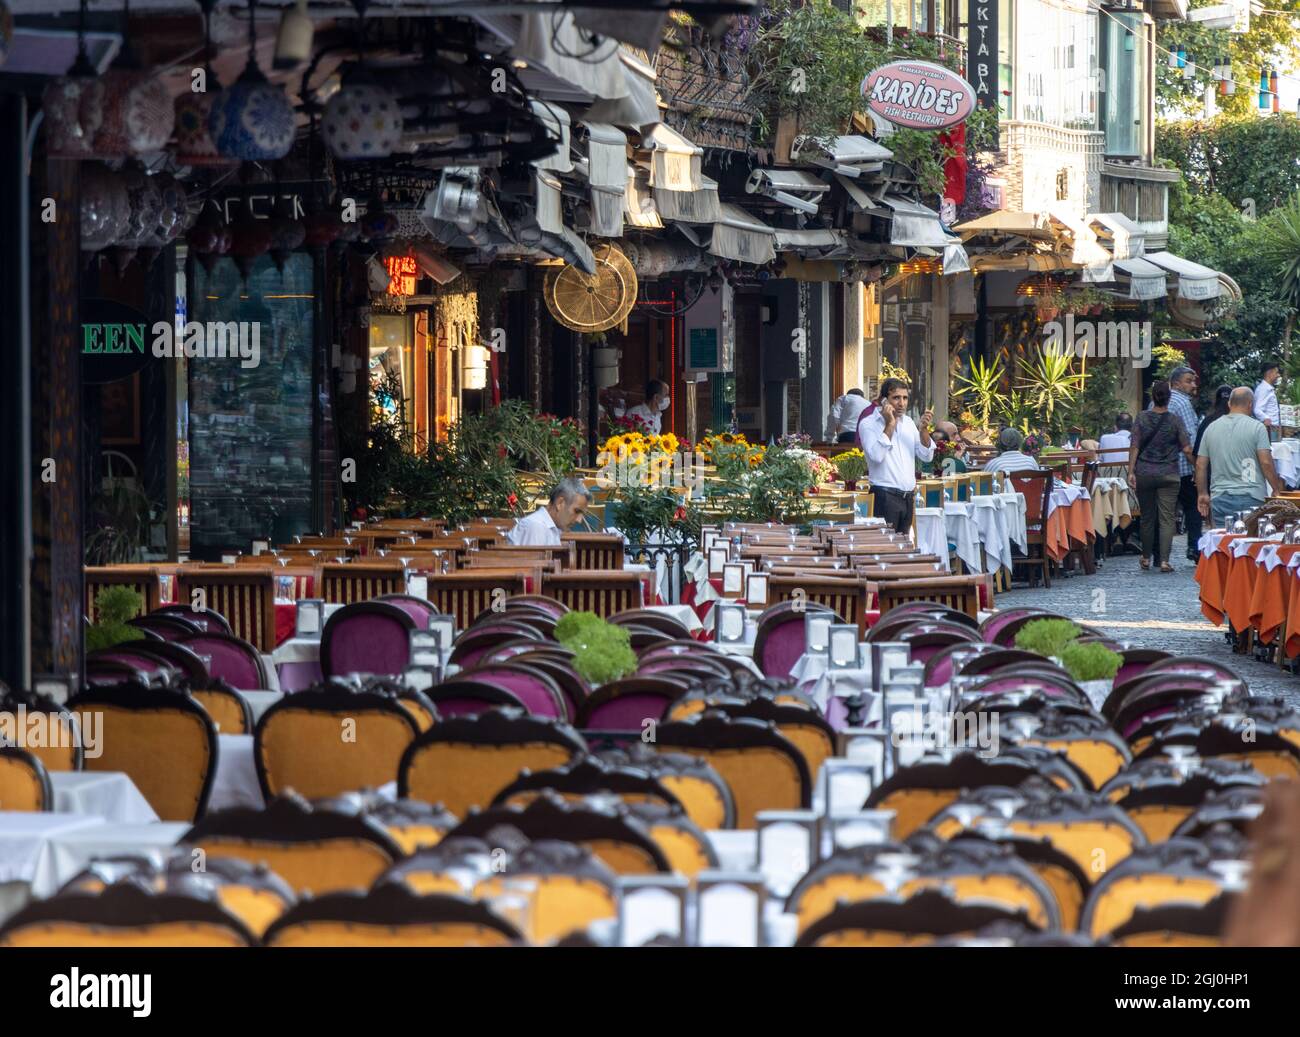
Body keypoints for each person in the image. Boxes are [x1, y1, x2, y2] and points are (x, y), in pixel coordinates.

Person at [1196, 387, 1284, 529]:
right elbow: (1266, 462)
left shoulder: (1211, 428)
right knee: (1249, 545)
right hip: (1252, 496)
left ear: (1229, 404)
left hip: (1220, 497)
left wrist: (1202, 494)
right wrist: (1275, 488)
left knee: (1223, 545)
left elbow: (1200, 465)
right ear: (1250, 404)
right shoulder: (1257, 428)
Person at [1128, 380, 1191, 573]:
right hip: (1169, 474)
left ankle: (1146, 557)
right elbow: (1187, 448)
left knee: (1147, 518)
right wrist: (1196, 466)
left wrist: (1131, 471)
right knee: (1166, 519)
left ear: (1152, 397)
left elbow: (1135, 446)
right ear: (1169, 398)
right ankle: (1164, 561)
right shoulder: (1175, 420)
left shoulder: (1142, 418)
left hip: (1145, 473)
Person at [858, 377, 934, 532]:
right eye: (896, 398)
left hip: (908, 497)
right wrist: (890, 424)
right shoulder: (868, 424)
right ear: (884, 400)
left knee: (904, 549)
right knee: (886, 549)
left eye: (905, 398)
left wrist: (923, 430)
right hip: (884, 496)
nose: (902, 403)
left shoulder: (908, 423)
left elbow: (926, 455)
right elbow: (877, 456)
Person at [1158, 365, 1202, 561]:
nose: (1193, 385)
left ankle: (1158, 553)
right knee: (1193, 506)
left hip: (1159, 466)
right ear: (1176, 383)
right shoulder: (1182, 403)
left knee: (1163, 511)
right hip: (1181, 466)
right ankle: (1194, 547)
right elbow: (1189, 439)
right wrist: (1196, 466)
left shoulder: (1158, 402)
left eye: (1193, 381)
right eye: (1188, 381)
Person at [506, 477, 591, 546]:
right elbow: (533, 566)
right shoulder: (536, 527)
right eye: (577, 511)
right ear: (560, 503)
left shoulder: (550, 527)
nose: (579, 520)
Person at [1254, 361, 1281, 442]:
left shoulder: (1267, 388)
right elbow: (1257, 409)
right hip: (1269, 429)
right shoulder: (1264, 389)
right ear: (1269, 373)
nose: (1278, 375)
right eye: (1276, 373)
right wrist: (1267, 419)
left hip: (1273, 429)